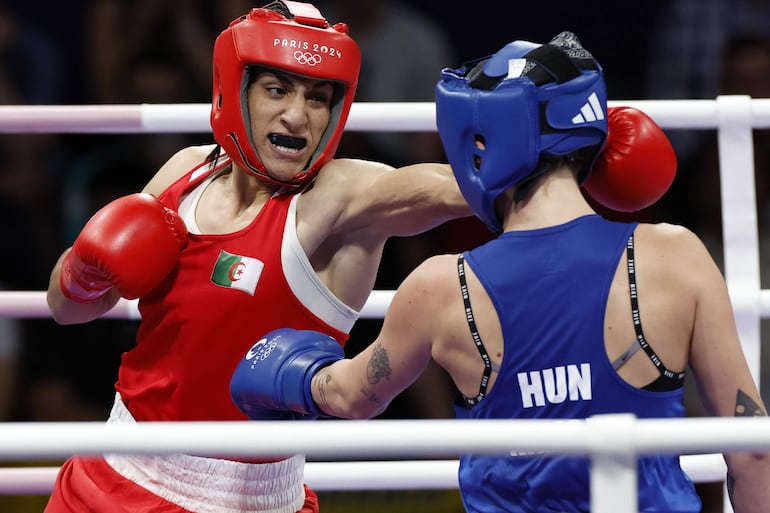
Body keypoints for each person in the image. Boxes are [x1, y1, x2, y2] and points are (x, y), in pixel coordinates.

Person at [230, 32, 770, 513]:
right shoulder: (676, 255)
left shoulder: (443, 288)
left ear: (482, 146)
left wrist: (291, 370)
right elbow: (751, 450)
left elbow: (349, 395)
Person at [43, 1, 472, 512]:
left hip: (243, 499)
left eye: (318, 97)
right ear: (235, 90)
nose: (298, 114)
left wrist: (541, 152)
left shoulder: (334, 199)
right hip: (109, 475)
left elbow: (440, 189)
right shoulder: (186, 172)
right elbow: (69, 310)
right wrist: (83, 271)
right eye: (277, 89)